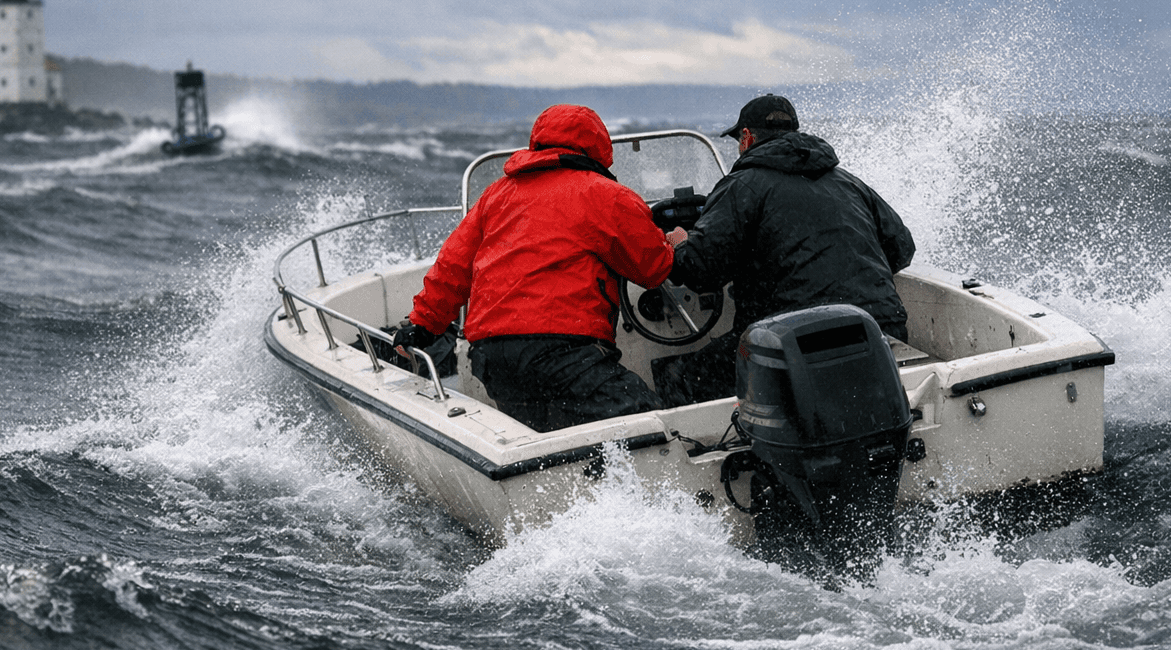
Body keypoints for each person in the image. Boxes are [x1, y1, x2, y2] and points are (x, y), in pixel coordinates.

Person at [391, 104, 675, 432]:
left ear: (536, 143)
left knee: (542, 436)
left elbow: (453, 266)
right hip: (565, 350)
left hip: (494, 354)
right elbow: (653, 269)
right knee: (650, 423)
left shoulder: (494, 196)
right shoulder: (607, 196)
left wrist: (424, 325)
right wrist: (673, 242)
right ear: (599, 147)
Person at [656, 94, 916, 405]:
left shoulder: (742, 186)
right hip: (879, 334)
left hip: (798, 344)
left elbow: (701, 270)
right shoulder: (849, 182)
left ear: (747, 137)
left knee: (679, 375)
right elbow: (902, 250)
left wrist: (682, 242)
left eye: (739, 140)